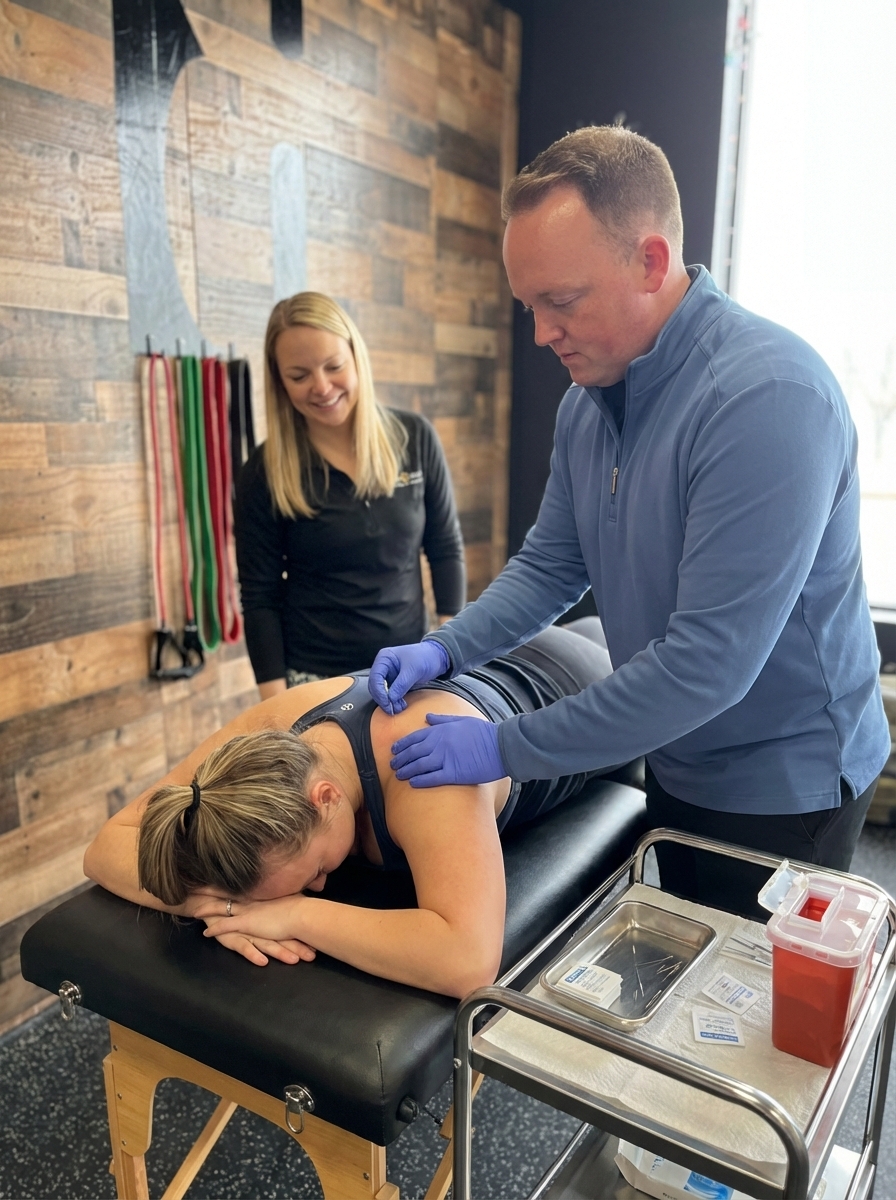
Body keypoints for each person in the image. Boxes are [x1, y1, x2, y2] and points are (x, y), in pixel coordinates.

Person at [368, 125, 890, 919]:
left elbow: (703, 667)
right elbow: (550, 564)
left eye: (561, 301)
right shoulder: (586, 406)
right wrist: (446, 646)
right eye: (529, 306)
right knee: (678, 968)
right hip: (676, 752)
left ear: (650, 261)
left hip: (787, 782)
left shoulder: (768, 400)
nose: (542, 333)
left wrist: (504, 749)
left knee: (744, 1025)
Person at [82, 624, 614, 998]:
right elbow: (104, 847)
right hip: (487, 664)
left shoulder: (425, 770)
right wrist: (219, 907)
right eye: (307, 885)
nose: (317, 886)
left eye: (313, 871)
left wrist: (292, 914)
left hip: (583, 681)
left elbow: (468, 962)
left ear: (326, 797)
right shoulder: (262, 744)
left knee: (624, 632)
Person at [235, 292, 465, 699]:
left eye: (334, 366)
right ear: (279, 381)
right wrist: (273, 706)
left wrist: (449, 655)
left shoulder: (414, 439)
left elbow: (445, 549)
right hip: (313, 679)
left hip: (408, 667)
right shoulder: (264, 470)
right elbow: (260, 597)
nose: (321, 387)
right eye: (299, 375)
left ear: (356, 356)